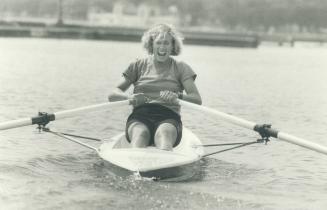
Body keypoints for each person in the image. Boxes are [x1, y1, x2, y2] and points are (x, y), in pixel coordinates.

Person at [108, 23, 202, 150]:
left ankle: (165, 164)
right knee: (141, 134)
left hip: (168, 116)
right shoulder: (137, 65)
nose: (162, 47)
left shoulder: (181, 67)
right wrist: (130, 97)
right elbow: (113, 94)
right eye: (159, 43)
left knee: (164, 134)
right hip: (140, 115)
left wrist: (177, 96)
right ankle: (136, 162)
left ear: (173, 46)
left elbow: (196, 99)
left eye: (166, 43)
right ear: (151, 44)